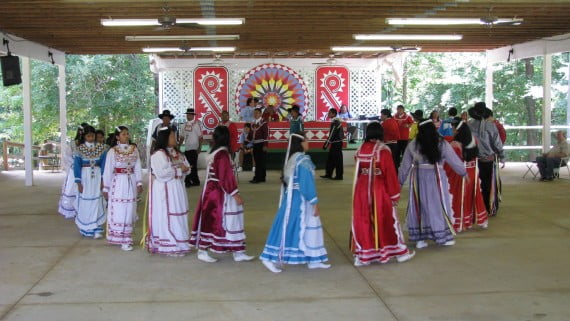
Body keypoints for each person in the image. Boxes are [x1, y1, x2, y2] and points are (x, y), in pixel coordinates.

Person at [260, 132, 330, 273]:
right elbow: (306, 183)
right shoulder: (303, 160)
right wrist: (314, 201)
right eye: (306, 140)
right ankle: (268, 257)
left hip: (293, 197)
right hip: (299, 200)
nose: (308, 142)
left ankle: (313, 259)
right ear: (300, 143)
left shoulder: (292, 158)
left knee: (303, 226)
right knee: (287, 227)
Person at [351, 122, 414, 266]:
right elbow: (390, 174)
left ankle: (363, 255)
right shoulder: (383, 150)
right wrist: (394, 195)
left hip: (361, 188)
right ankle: (398, 253)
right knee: (386, 219)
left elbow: (358, 168)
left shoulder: (360, 149)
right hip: (378, 189)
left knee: (363, 220)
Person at [398, 119, 467, 248]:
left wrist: (399, 183)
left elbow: (404, 166)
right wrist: (463, 172)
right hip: (437, 178)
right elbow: (454, 160)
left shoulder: (413, 144)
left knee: (420, 205)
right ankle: (441, 236)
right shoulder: (441, 143)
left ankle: (420, 238)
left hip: (418, 177)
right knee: (438, 205)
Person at [190, 126, 254, 263]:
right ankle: (202, 250)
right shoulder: (222, 154)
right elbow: (225, 176)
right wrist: (235, 194)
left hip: (215, 191)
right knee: (217, 221)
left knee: (225, 221)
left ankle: (238, 251)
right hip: (219, 193)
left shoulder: (216, 152)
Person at [146, 126, 191, 256]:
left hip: (177, 188)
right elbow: (162, 174)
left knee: (179, 213)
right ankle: (169, 245)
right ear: (165, 138)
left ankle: (180, 243)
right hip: (165, 190)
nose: (175, 138)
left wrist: (185, 170)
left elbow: (186, 166)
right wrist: (179, 170)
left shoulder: (177, 153)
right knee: (168, 215)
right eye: (172, 136)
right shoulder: (158, 154)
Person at [102, 126, 143, 251]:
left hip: (130, 181)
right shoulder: (112, 151)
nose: (126, 136)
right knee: (120, 209)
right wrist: (106, 188)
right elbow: (108, 170)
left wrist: (139, 182)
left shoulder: (134, 149)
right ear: (117, 137)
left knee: (130, 208)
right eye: (123, 134)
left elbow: (137, 166)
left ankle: (128, 237)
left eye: (127, 134)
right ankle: (121, 238)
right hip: (118, 182)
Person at [445, 118, 488, 232]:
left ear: (458, 131)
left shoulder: (455, 145)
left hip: (459, 175)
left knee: (458, 198)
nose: (452, 131)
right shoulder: (473, 140)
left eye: (453, 129)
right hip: (472, 172)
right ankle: (475, 221)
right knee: (473, 196)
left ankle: (459, 223)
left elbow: (451, 163)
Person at [468, 102, 504, 216]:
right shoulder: (491, 125)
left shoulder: (469, 125)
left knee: (475, 184)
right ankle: (489, 207)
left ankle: (476, 208)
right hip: (488, 159)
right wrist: (502, 156)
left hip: (473, 160)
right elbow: (497, 143)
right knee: (489, 184)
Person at [73, 125, 107, 238]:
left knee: (97, 200)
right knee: (86, 201)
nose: (91, 138)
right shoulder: (79, 149)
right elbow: (77, 166)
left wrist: (103, 179)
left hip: (97, 176)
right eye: (88, 136)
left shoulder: (102, 148)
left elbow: (104, 165)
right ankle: (87, 227)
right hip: (85, 176)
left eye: (92, 136)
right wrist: (78, 182)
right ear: (84, 136)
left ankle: (97, 227)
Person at [58, 124, 85, 219]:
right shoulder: (73, 143)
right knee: (72, 188)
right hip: (74, 169)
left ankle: (83, 210)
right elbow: (67, 156)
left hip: (86, 169)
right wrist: (75, 163)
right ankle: (71, 210)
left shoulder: (90, 144)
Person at [321, 108, 344, 180]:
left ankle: (339, 176)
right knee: (331, 159)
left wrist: (326, 144)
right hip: (336, 143)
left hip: (336, 143)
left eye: (329, 113)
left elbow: (332, 134)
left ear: (334, 114)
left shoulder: (335, 122)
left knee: (337, 160)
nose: (328, 114)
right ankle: (328, 174)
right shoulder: (335, 121)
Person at [181, 108, 203, 187]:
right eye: (187, 114)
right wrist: (179, 145)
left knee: (192, 165)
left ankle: (189, 181)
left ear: (193, 115)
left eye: (190, 114)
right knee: (189, 164)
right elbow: (182, 137)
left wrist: (200, 147)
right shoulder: (183, 125)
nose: (188, 116)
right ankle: (194, 180)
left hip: (194, 147)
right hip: (187, 147)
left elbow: (200, 137)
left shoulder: (196, 124)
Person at [249, 108, 268, 183]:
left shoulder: (263, 122)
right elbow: (250, 134)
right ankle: (262, 177)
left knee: (260, 161)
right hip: (255, 144)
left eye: (257, 113)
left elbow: (266, 134)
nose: (255, 114)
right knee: (258, 161)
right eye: (254, 113)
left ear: (260, 114)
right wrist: (247, 142)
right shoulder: (253, 123)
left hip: (261, 144)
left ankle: (257, 177)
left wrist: (265, 145)